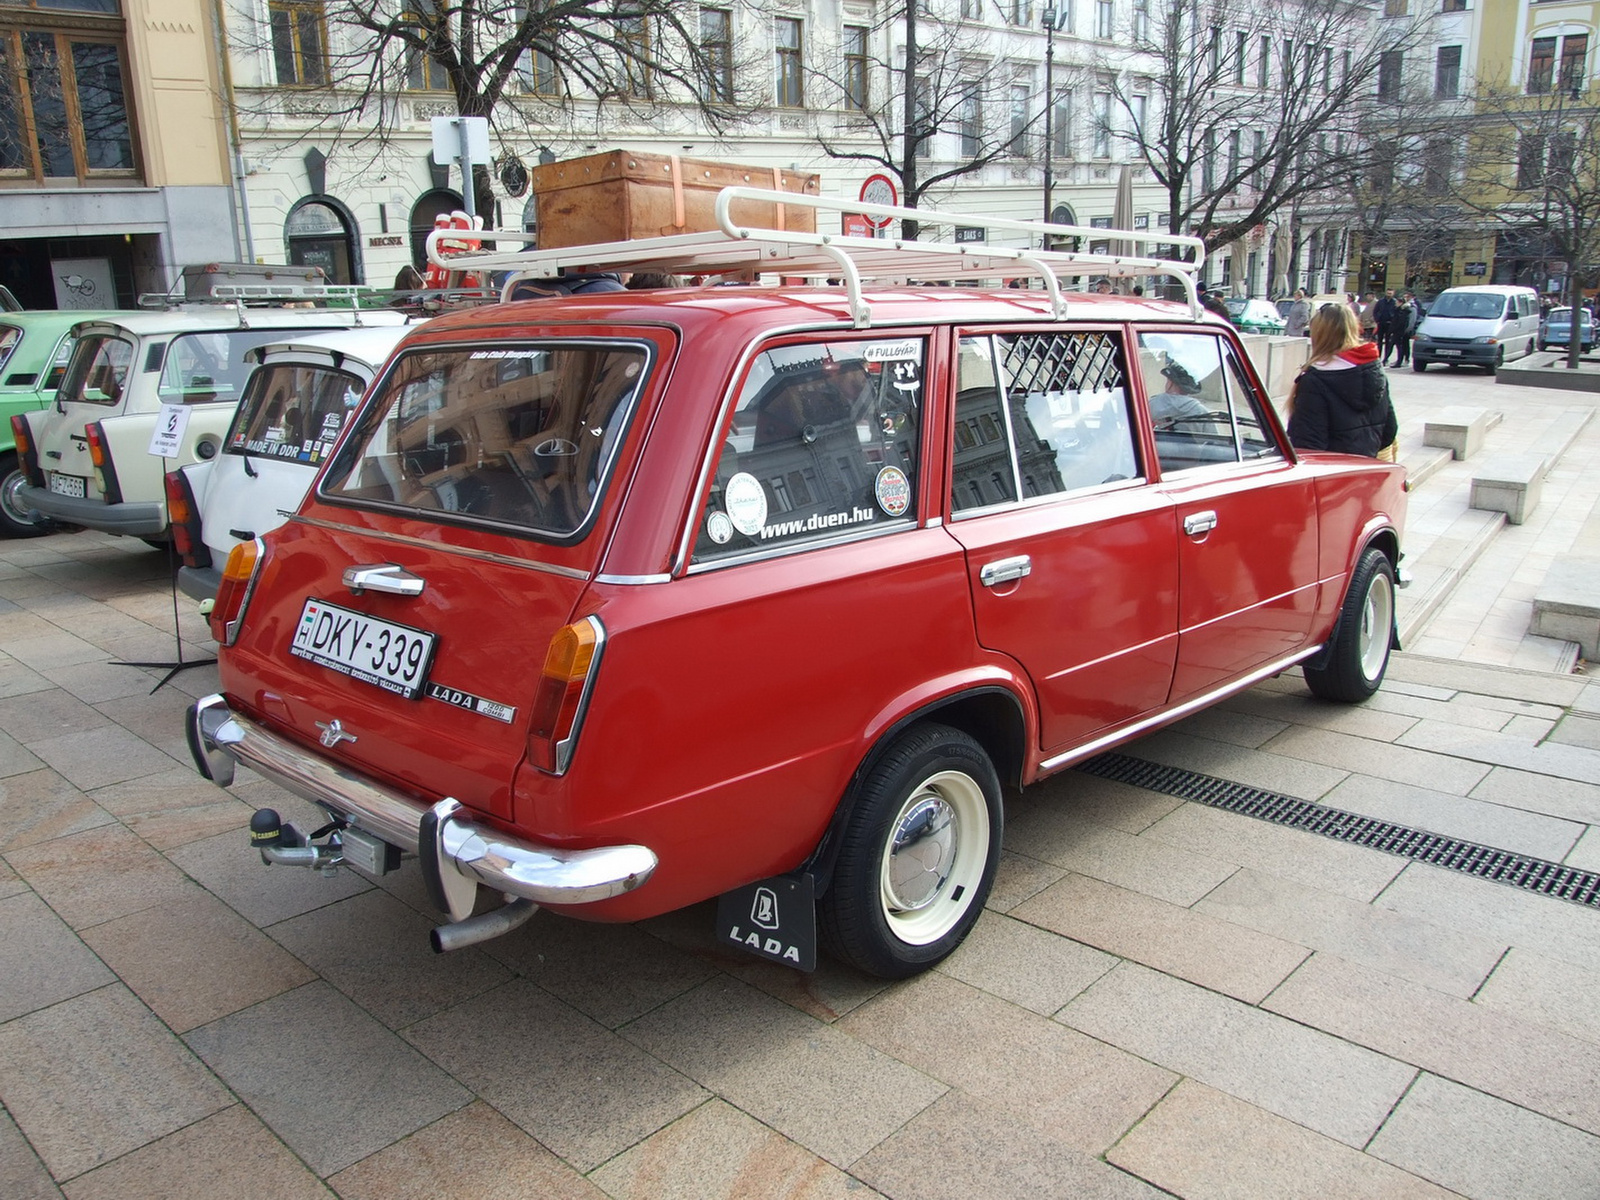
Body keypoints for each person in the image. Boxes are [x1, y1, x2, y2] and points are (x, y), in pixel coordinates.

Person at [1287, 303, 1398, 457]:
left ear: (1318, 334)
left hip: (1331, 474)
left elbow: (1307, 445)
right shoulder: (1374, 370)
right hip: (1365, 468)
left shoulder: (1315, 380)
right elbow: (1389, 431)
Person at [1150, 360, 1210, 427]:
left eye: (1167, 381)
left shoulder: (1152, 404)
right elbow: (1212, 435)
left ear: (1171, 383)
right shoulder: (1200, 411)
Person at [1390, 292, 1422, 366]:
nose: (1405, 298)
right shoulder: (1405, 306)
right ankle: (1401, 359)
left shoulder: (1412, 306)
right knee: (1402, 345)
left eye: (1406, 297)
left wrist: (1408, 330)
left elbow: (1412, 320)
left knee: (1405, 345)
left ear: (1410, 297)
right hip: (1403, 329)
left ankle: (1406, 359)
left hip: (1406, 329)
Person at [1372, 289, 1398, 360]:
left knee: (1388, 342)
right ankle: (1378, 357)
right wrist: (1377, 319)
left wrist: (1393, 321)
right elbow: (1375, 311)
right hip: (1381, 323)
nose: (1389, 294)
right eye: (1388, 293)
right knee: (1379, 341)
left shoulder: (1395, 302)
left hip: (1390, 324)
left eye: (1390, 293)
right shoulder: (1381, 301)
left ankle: (1386, 358)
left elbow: (1397, 313)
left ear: (1393, 293)